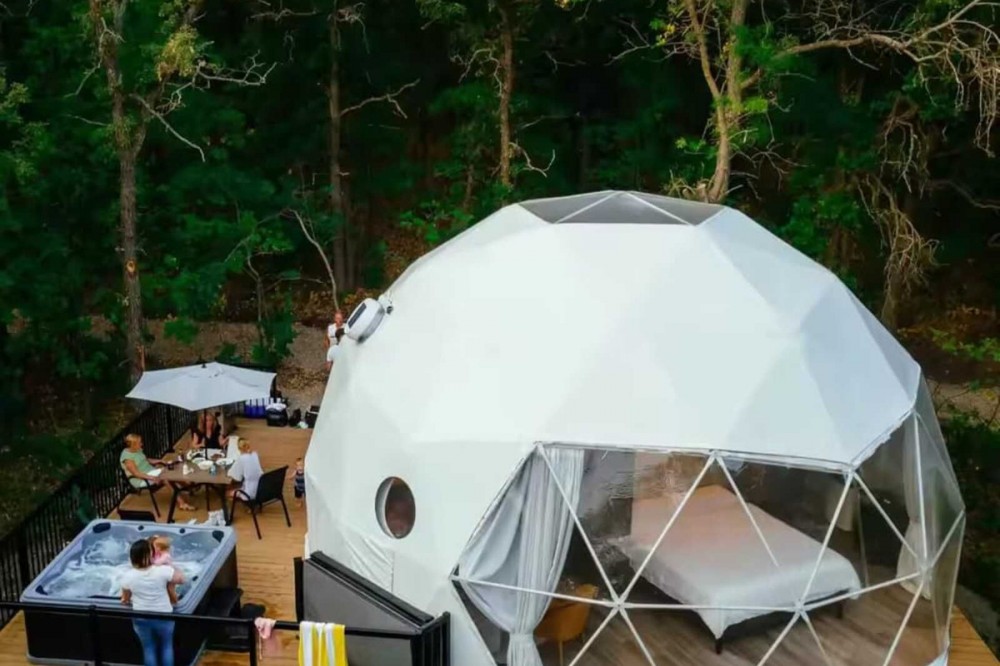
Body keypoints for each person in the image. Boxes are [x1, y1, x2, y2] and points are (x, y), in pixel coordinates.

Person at [120, 539, 184, 666]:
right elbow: (181, 579)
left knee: (148, 648)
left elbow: (125, 599)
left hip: (141, 617)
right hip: (163, 615)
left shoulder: (128, 576)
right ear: (151, 555)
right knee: (166, 646)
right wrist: (171, 565)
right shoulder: (162, 571)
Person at [120, 434, 195, 512]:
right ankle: (182, 503)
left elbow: (146, 460)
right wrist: (152, 478)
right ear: (133, 445)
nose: (142, 444)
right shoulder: (127, 458)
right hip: (140, 479)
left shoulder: (137, 449)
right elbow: (136, 474)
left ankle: (188, 487)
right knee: (166, 478)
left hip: (151, 472)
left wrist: (160, 461)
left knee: (170, 471)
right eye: (140, 443)